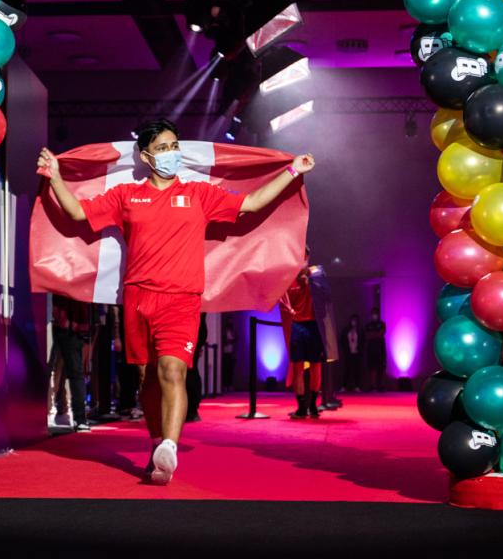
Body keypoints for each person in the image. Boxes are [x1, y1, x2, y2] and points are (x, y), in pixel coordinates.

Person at [38, 118, 316, 484]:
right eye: (164, 147)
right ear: (146, 155)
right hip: (137, 298)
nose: (172, 153)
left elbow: (249, 204)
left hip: (182, 299)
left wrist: (292, 171)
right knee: (146, 377)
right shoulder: (125, 195)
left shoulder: (199, 193)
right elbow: (78, 213)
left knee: (173, 371)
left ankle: (170, 444)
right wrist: (55, 176)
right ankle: (157, 445)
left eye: (175, 146)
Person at [279, 248, 324, 419]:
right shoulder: (288, 278)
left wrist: (310, 282)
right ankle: (301, 407)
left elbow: (325, 298)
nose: (301, 259)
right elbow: (281, 300)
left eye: (304, 256)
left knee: (315, 367)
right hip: (297, 326)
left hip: (314, 326)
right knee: (297, 367)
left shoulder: (317, 274)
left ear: (308, 257)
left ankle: (312, 404)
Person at [52, 294, 93, 432]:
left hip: (73, 327)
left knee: (75, 373)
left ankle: (79, 418)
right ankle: (56, 409)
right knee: (52, 369)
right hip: (56, 321)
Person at [185, 313, 207, 423]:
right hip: (193, 330)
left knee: (190, 370)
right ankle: (191, 409)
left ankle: (191, 410)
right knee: (189, 370)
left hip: (192, 331)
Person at [364, 308, 387, 391]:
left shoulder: (382, 324)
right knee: (372, 368)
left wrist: (374, 334)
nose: (374, 315)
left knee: (381, 367)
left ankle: (382, 386)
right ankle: (372, 386)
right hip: (371, 349)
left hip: (380, 349)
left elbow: (382, 333)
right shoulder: (368, 325)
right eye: (373, 314)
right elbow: (367, 336)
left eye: (376, 313)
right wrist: (376, 334)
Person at [340, 314, 363, 394]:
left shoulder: (359, 330)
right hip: (348, 353)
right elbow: (342, 341)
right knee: (347, 369)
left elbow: (363, 341)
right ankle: (344, 386)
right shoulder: (346, 330)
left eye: (355, 320)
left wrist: (360, 349)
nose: (354, 322)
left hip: (357, 353)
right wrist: (346, 349)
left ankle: (357, 386)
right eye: (352, 320)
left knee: (357, 370)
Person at [221, 316, 236, 393]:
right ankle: (225, 385)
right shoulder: (224, 331)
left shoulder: (232, 331)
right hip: (225, 352)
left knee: (230, 370)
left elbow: (235, 339)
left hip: (231, 352)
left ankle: (230, 385)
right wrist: (227, 341)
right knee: (225, 370)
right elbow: (223, 340)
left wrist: (231, 341)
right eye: (229, 321)